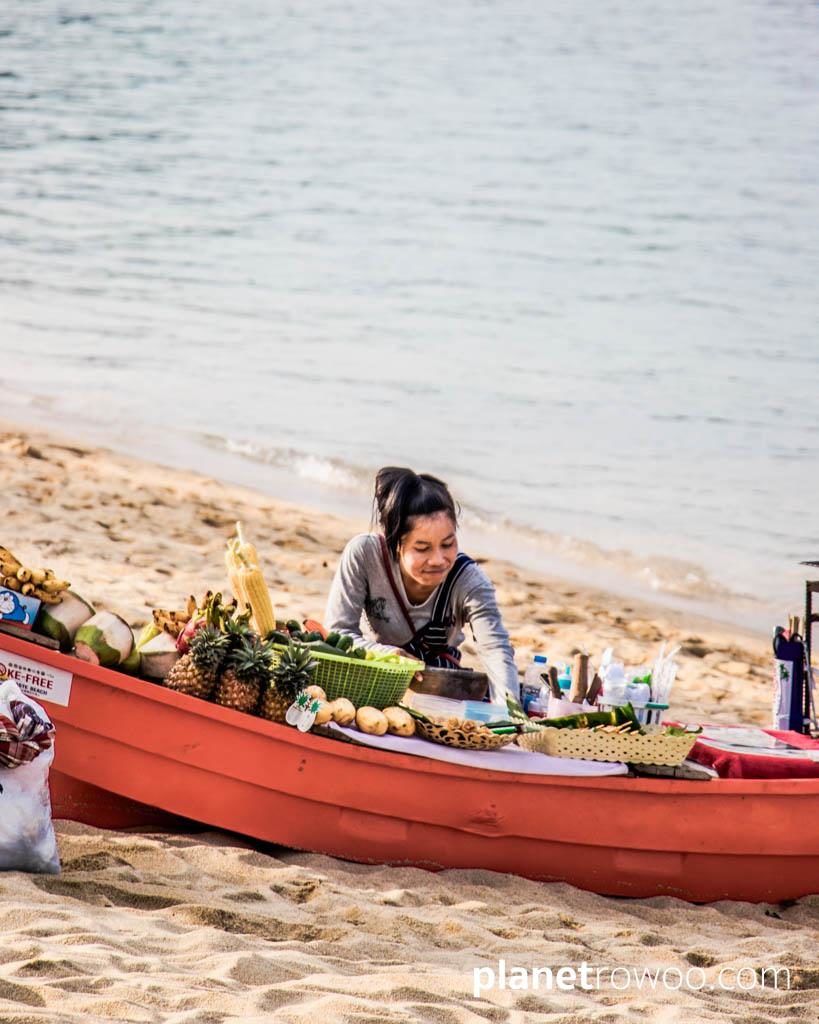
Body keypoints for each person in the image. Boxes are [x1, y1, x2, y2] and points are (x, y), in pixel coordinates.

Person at [324, 467, 520, 705]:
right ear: (395, 543)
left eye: (447, 544)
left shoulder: (469, 581)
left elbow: (496, 650)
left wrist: (510, 714)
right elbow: (337, 634)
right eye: (422, 548)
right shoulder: (364, 555)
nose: (438, 560)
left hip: (438, 691)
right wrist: (386, 654)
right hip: (374, 680)